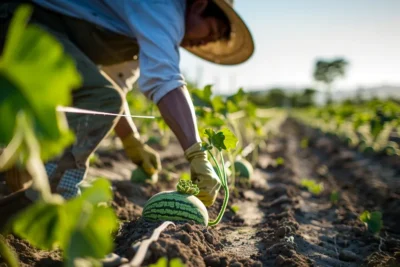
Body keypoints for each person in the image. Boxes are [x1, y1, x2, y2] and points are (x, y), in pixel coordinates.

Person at [0, 0, 254, 207]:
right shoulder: (165, 7)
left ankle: (18, 177)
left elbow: (116, 87)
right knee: (98, 96)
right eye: (213, 31)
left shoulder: (143, 31)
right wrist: (196, 152)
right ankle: (51, 199)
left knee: (99, 95)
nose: (208, 42)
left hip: (30, 26)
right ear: (199, 5)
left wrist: (133, 141)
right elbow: (165, 81)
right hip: (15, 19)